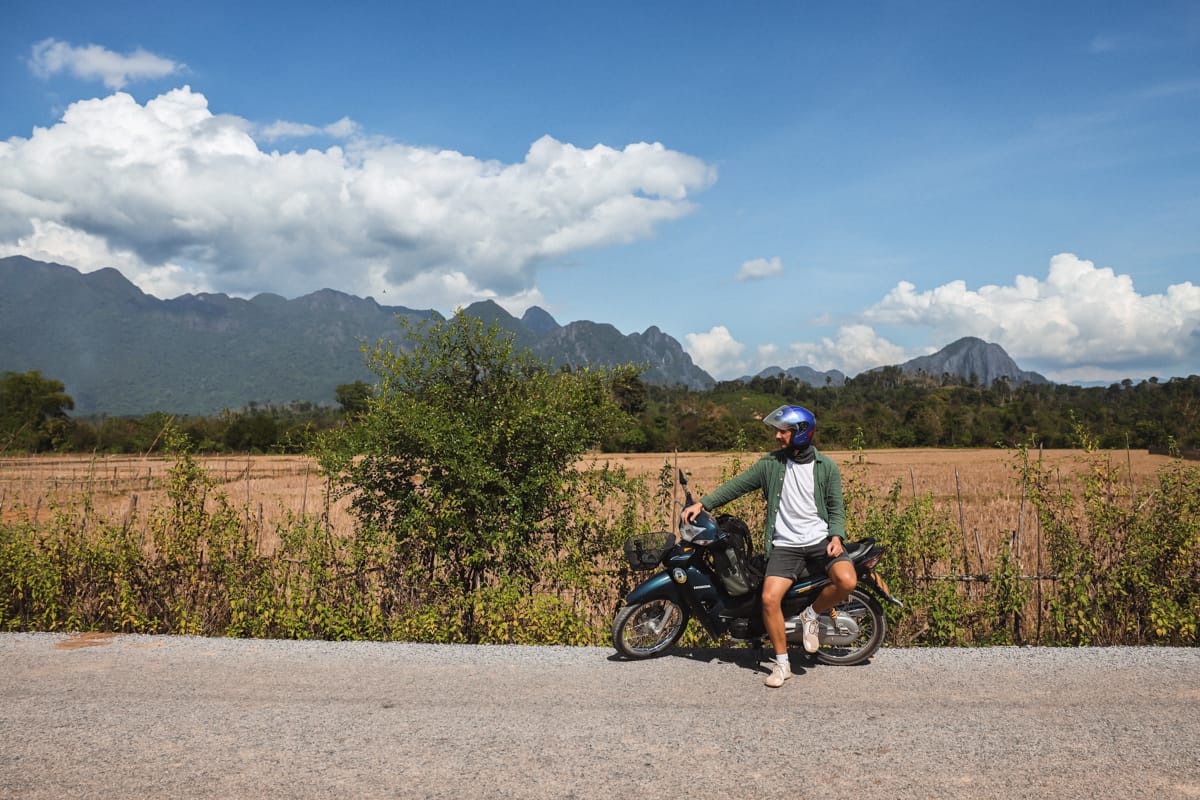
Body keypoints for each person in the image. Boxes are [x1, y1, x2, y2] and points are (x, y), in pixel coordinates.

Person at [682, 405, 855, 688]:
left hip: (819, 541)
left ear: (801, 433)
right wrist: (703, 503)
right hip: (785, 546)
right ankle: (782, 663)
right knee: (768, 599)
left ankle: (810, 614)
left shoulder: (827, 467)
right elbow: (736, 485)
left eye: (782, 431)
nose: (776, 436)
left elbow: (836, 509)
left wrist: (836, 537)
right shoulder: (771, 465)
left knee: (846, 581)